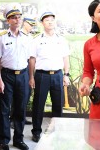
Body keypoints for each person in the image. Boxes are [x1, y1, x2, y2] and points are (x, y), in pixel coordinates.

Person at [29, 11, 70, 143]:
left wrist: (66, 75)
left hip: (58, 75)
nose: (50, 22)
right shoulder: (37, 40)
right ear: (42, 23)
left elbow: (65, 58)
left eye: (52, 19)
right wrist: (31, 77)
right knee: (38, 105)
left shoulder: (61, 39)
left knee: (58, 105)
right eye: (47, 20)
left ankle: (56, 130)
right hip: (41, 75)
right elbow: (32, 60)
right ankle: (36, 132)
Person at [0, 4, 31, 150]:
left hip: (22, 74)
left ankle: (18, 139)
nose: (17, 20)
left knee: (20, 109)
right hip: (6, 75)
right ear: (8, 21)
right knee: (4, 109)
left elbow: (29, 59)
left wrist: (30, 77)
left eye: (19, 17)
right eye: (13, 18)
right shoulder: (1, 38)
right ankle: (3, 141)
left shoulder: (26, 38)